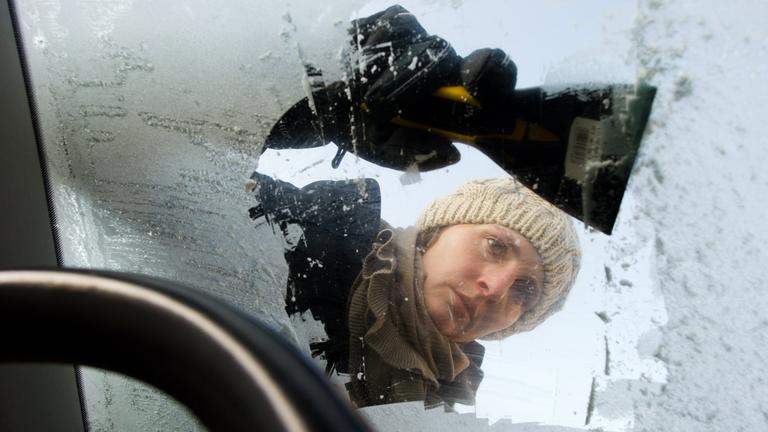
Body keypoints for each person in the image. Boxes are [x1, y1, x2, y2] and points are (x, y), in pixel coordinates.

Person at [248, 173, 581, 409]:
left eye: (524, 292)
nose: (494, 289)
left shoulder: (436, 409)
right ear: (438, 230)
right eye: (494, 246)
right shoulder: (303, 227)